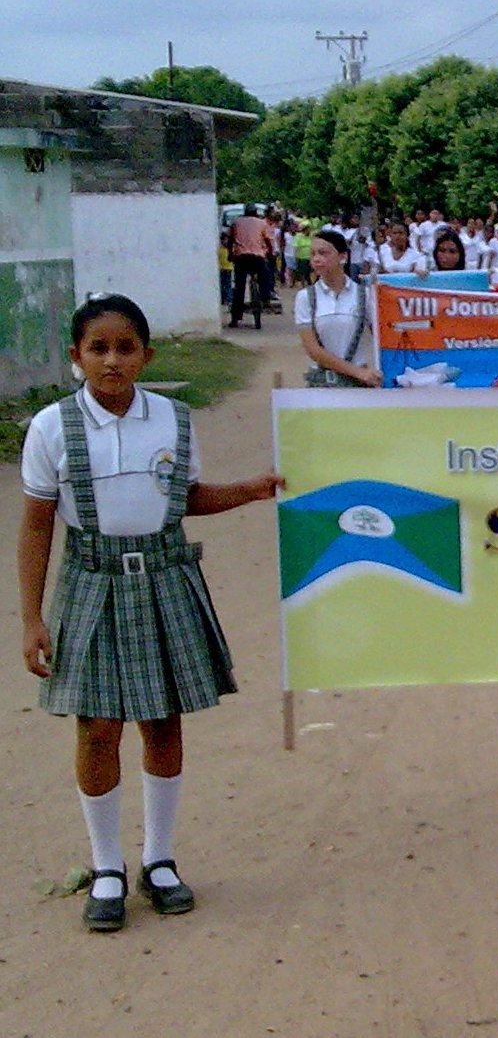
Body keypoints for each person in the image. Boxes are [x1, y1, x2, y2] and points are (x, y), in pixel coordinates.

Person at [17, 294, 283, 932]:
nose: (112, 360)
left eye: (125, 348)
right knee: (97, 727)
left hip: (165, 578)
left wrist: (250, 490)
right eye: (98, 349)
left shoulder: (172, 419)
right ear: (76, 356)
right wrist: (31, 619)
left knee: (163, 722)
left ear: (147, 355)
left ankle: (158, 860)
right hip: (92, 584)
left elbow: (184, 497)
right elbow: (37, 526)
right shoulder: (51, 427)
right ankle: (107, 865)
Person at [297, 230, 380, 388]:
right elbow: (312, 349)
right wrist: (356, 372)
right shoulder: (305, 297)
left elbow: (382, 335)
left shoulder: (365, 295)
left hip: (358, 385)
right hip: (321, 383)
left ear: (343, 257)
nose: (316, 259)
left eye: (323, 253)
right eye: (313, 254)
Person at [227, 204, 269, 329]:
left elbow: (230, 240)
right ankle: (265, 297)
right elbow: (267, 240)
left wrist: (230, 254)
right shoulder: (262, 223)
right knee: (265, 277)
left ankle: (235, 318)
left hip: (241, 257)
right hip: (257, 257)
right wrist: (270, 252)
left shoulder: (236, 222)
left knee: (239, 288)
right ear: (256, 212)